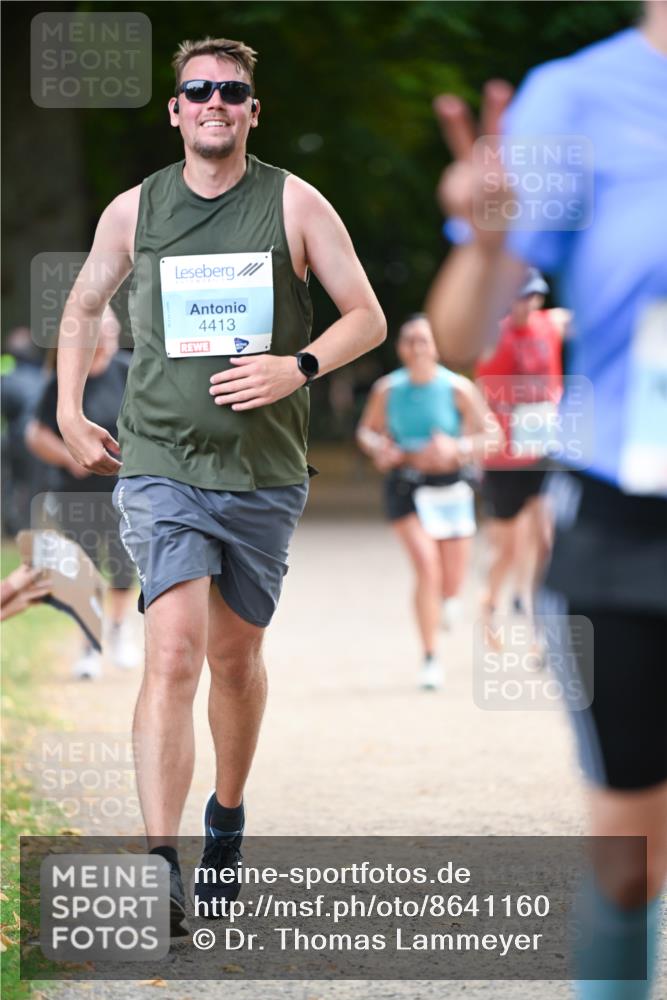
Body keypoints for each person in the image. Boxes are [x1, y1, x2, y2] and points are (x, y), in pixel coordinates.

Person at [56, 37, 386, 935]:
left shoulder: (294, 202)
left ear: (250, 109)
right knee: (172, 653)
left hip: (263, 471)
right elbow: (83, 306)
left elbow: (367, 315)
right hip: (159, 460)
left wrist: (300, 365)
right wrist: (71, 406)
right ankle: (160, 860)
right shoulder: (134, 212)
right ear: (174, 110)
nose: (213, 103)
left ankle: (226, 821)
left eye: (230, 92)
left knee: (236, 662)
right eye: (196, 90)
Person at [427, 5, 667, 997]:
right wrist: (486, 246)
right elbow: (454, 337)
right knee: (630, 857)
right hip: (628, 516)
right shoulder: (572, 97)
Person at [356, 314, 501, 690]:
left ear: (436, 346)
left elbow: (494, 436)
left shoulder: (458, 389)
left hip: (451, 487)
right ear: (401, 348)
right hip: (406, 488)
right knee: (426, 565)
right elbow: (366, 432)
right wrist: (380, 449)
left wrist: (459, 447)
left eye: (424, 341)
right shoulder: (387, 389)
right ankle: (430, 657)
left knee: (451, 579)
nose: (418, 348)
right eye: (410, 341)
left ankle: (449, 600)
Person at [25, 306, 138, 679]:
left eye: (109, 328)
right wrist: (69, 456)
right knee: (86, 570)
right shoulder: (66, 378)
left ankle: (118, 632)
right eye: (97, 328)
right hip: (75, 492)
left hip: (125, 491)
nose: (104, 335)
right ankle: (89, 645)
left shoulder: (130, 371)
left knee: (123, 567)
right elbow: (36, 435)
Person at [474, 268, 569, 634]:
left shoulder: (551, 324)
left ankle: (538, 623)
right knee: (508, 548)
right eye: (520, 295)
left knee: (545, 538)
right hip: (504, 458)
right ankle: (490, 603)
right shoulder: (492, 336)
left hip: (543, 449)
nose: (527, 303)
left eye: (533, 296)